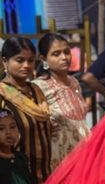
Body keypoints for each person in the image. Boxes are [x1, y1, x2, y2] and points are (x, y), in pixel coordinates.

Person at [33, 33, 90, 170]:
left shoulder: (74, 82)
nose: (64, 57)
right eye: (56, 54)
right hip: (61, 158)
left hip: (85, 153)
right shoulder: (39, 87)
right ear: (43, 59)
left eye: (66, 52)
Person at [0, 38, 51, 184]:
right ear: (5, 61)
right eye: (20, 60)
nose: (26, 65)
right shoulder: (3, 95)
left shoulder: (36, 91)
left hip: (45, 175)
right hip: (15, 179)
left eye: (31, 60)